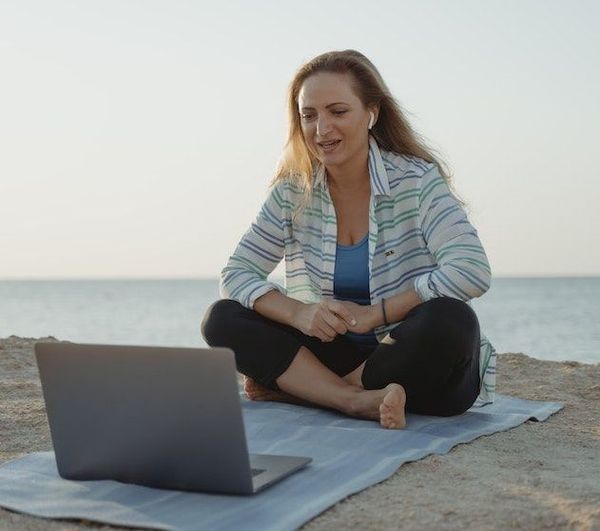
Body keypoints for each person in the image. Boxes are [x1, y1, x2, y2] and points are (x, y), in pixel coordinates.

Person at [201, 50, 496, 429]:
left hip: (414, 362)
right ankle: (353, 400)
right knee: (222, 318)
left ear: (371, 112)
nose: (321, 130)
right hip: (336, 354)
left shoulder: (416, 180)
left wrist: (381, 313)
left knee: (452, 320)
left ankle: (307, 392)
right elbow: (237, 273)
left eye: (337, 112)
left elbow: (471, 270)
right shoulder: (293, 190)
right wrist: (299, 313)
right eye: (309, 115)